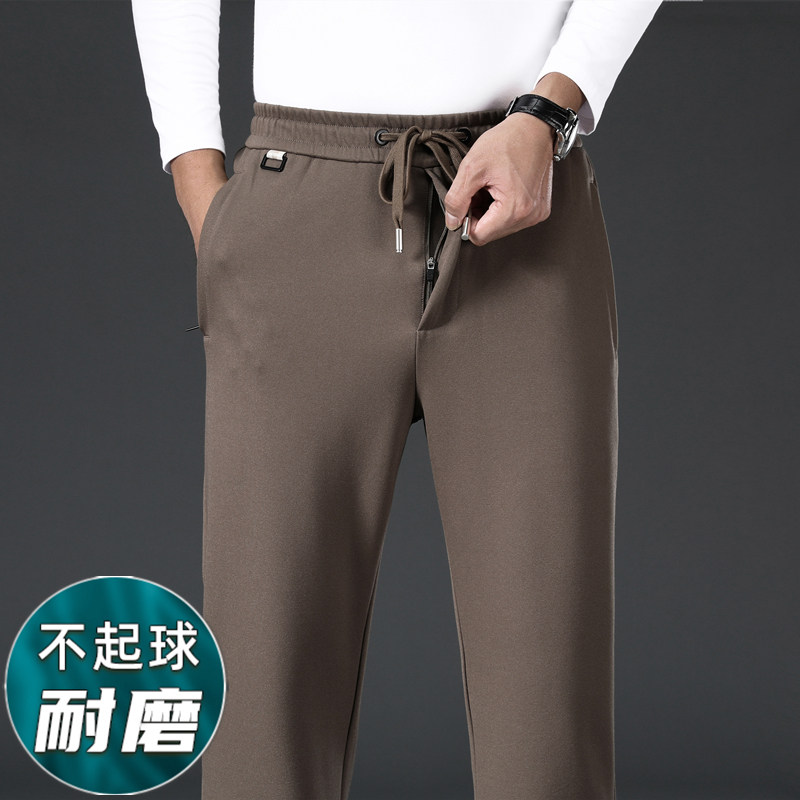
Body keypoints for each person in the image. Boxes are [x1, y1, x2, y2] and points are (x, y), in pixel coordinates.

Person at [131, 2, 662, 798]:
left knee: (546, 689)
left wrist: (552, 109)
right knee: (266, 676)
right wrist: (205, 197)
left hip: (520, 193)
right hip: (297, 205)